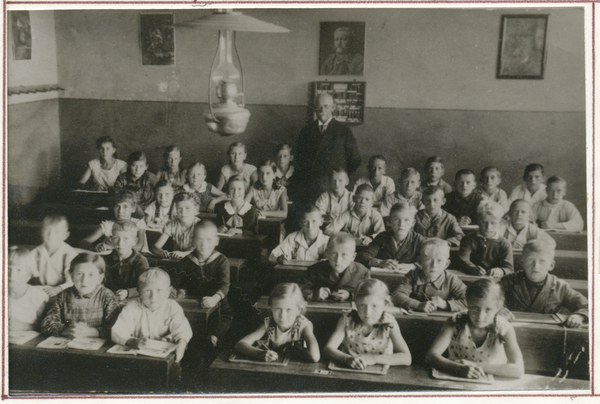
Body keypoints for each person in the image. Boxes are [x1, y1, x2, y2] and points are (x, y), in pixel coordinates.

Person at [426, 278, 524, 379]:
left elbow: (518, 370)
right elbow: (431, 356)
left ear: (498, 308)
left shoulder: (504, 328)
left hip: (491, 383)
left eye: (488, 309)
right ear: (467, 303)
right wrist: (458, 368)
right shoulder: (455, 321)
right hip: (455, 377)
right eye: (475, 308)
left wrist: (473, 365)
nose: (480, 316)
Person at [324, 279, 411, 369]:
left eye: (374, 306)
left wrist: (374, 359)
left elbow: (407, 358)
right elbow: (328, 349)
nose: (367, 312)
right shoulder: (347, 319)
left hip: (381, 375)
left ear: (385, 305)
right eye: (362, 305)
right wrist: (347, 359)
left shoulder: (389, 323)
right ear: (356, 304)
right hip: (349, 370)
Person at [111, 268, 192, 363]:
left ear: (168, 291)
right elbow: (118, 331)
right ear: (139, 291)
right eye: (147, 291)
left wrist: (181, 345)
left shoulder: (172, 307)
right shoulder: (132, 307)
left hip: (166, 357)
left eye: (159, 290)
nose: (153, 297)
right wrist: (135, 342)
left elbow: (183, 331)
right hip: (138, 356)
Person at [500, 240, 588, 328]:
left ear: (551, 265)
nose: (536, 266)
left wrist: (579, 316)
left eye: (542, 261)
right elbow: (489, 299)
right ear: (522, 262)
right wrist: (498, 309)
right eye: (530, 260)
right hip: (514, 331)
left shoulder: (560, 287)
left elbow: (588, 306)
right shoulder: (508, 281)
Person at [172, 220, 232, 348]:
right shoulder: (186, 261)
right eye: (199, 239)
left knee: (221, 320)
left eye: (209, 240)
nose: (204, 244)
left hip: (217, 303)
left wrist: (215, 298)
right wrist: (179, 291)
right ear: (193, 240)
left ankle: (213, 337)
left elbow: (224, 285)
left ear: (217, 241)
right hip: (193, 304)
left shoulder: (221, 261)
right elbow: (176, 282)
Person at [295, 93, 362, 203]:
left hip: (335, 187)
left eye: (326, 106)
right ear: (315, 108)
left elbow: (355, 159)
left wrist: (341, 176)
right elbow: (300, 158)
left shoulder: (344, 131)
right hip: (313, 187)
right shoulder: (306, 131)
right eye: (319, 106)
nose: (322, 110)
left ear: (333, 107)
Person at [41, 253, 120, 339]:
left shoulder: (106, 296)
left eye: (91, 275)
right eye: (79, 274)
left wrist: (92, 332)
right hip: (69, 344)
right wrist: (65, 330)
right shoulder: (64, 296)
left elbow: (117, 328)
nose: (84, 280)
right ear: (72, 277)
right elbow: (46, 324)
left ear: (100, 278)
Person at [235, 283, 320, 362]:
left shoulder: (304, 325)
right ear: (271, 308)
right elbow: (240, 344)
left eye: (289, 310)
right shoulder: (269, 322)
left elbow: (315, 356)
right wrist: (260, 353)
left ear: (299, 310)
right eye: (278, 309)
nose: (282, 316)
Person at [392, 238, 467, 312]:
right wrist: (417, 305)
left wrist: (446, 304)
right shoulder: (413, 275)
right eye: (428, 259)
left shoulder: (452, 280)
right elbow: (397, 295)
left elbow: (469, 300)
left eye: (439, 261)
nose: (434, 265)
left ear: (446, 264)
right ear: (420, 261)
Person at [455, 200, 513, 280]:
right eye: (484, 222)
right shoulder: (468, 239)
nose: (488, 227)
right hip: (472, 278)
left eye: (493, 223)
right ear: (478, 220)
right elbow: (463, 260)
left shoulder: (504, 243)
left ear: (500, 223)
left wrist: (501, 270)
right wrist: (472, 268)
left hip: (494, 281)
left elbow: (509, 269)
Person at [302, 232, 369, 301]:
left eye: (344, 255)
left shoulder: (363, 272)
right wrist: (314, 294)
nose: (338, 260)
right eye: (334, 254)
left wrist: (350, 296)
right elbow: (301, 291)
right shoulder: (314, 270)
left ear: (353, 256)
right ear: (327, 253)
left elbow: (368, 295)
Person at [358, 202, 425, 271]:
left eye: (406, 220)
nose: (401, 224)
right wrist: (380, 262)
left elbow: (431, 259)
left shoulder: (418, 239)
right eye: (397, 220)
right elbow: (364, 256)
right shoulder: (382, 237)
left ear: (413, 223)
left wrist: (413, 266)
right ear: (390, 221)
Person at [79, 190, 146, 253]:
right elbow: (83, 242)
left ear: (133, 208)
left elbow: (138, 247)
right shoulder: (108, 225)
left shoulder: (138, 224)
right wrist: (95, 247)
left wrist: (111, 247)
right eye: (117, 206)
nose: (120, 211)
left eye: (125, 207)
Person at [32, 215, 77, 297]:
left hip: (64, 291)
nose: (50, 234)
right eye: (47, 230)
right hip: (42, 290)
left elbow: (73, 280)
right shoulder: (36, 252)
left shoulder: (69, 253)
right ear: (41, 231)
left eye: (57, 231)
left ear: (65, 236)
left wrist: (58, 289)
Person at [103, 220, 150, 300]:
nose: (120, 243)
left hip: (133, 299)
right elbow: (101, 282)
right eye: (116, 238)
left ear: (134, 241)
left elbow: (146, 286)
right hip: (110, 299)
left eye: (126, 239)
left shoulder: (140, 261)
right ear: (111, 239)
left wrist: (128, 292)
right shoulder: (106, 260)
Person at [8, 246, 49, 332]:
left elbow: (47, 325)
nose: (11, 275)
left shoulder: (36, 296)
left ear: (29, 274)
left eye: (19, 270)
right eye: (8, 269)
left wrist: (26, 326)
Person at [151, 193, 201, 258]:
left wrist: (185, 254)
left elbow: (201, 250)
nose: (183, 212)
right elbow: (155, 247)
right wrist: (161, 252)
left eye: (187, 208)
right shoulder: (172, 224)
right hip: (176, 259)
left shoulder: (200, 225)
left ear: (196, 209)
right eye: (179, 208)